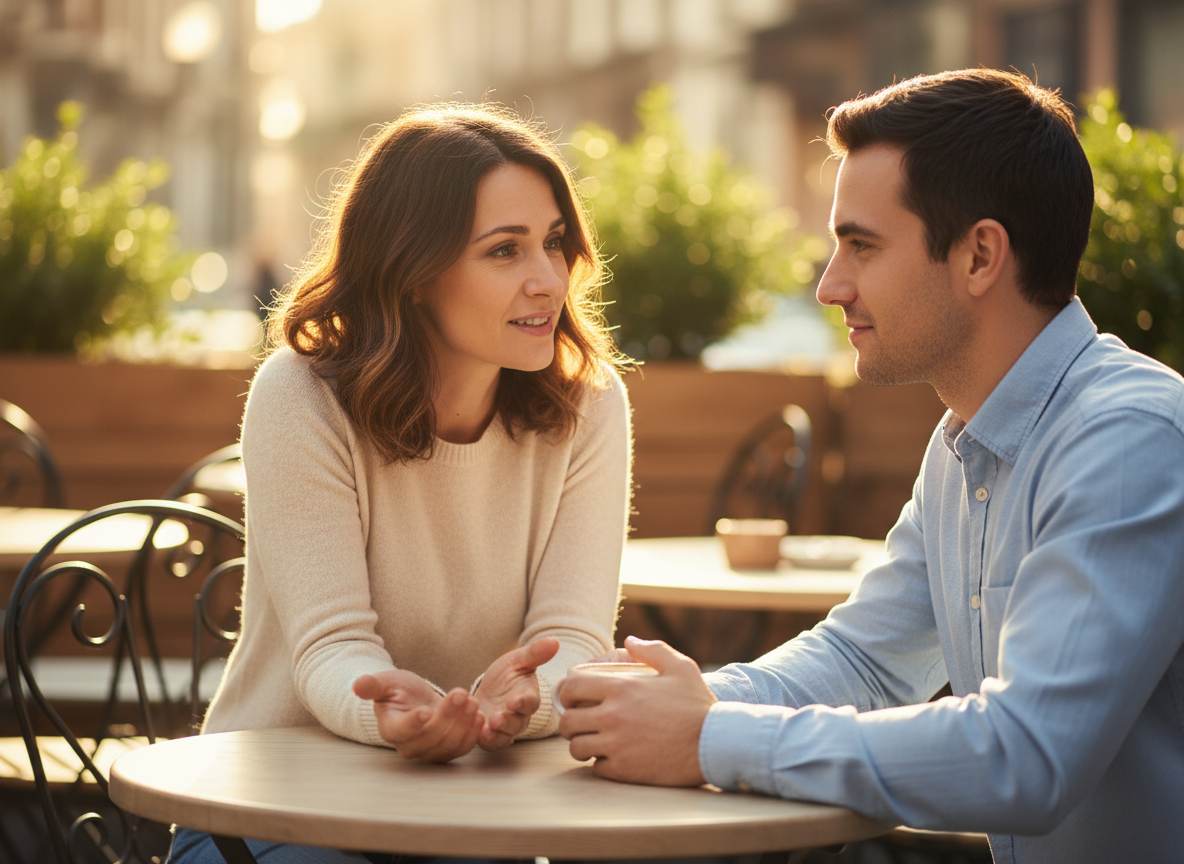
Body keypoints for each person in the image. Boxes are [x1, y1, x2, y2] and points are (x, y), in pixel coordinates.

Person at [557, 68, 1184, 864]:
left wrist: (712, 736)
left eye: (861, 245)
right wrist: (636, 702)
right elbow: (863, 659)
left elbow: (1028, 754)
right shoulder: (963, 443)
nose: (829, 285)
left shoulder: (1128, 438)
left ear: (980, 256)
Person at [168, 104, 633, 864]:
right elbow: (330, 646)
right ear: (416, 273)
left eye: (553, 243)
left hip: (480, 816)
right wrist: (391, 711)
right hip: (272, 811)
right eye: (504, 251)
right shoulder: (301, 393)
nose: (548, 279)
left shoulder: (591, 404)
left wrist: (526, 701)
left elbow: (573, 638)